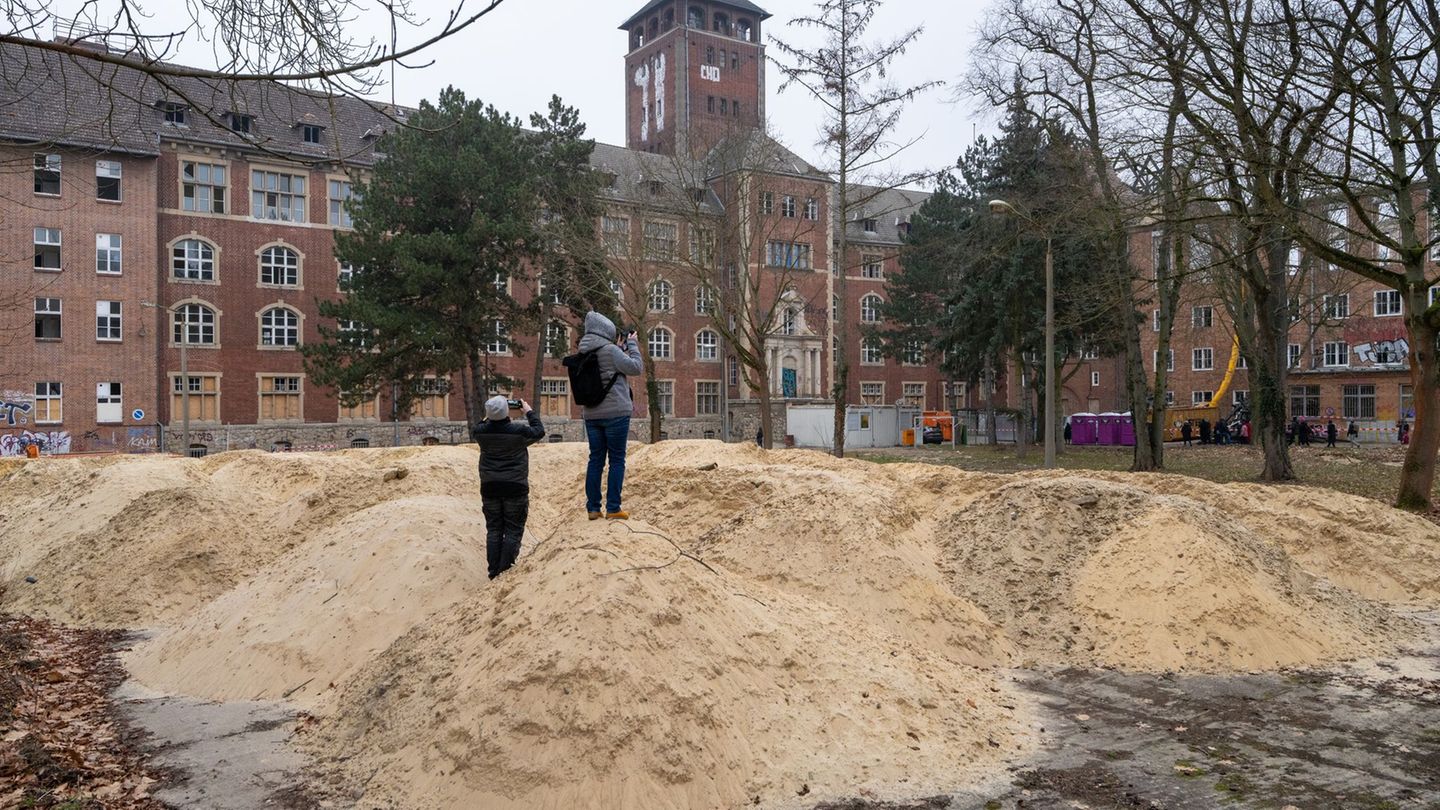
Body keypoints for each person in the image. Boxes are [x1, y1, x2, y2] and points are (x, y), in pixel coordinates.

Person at [471, 395, 546, 580]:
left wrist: (491, 414)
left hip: (490, 487)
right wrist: (528, 411)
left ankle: (493, 571)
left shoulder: (480, 433)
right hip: (515, 486)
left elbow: (480, 424)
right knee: (513, 529)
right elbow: (539, 431)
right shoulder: (518, 432)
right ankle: (504, 572)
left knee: (494, 529)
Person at [578, 311, 644, 520]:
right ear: (606, 331)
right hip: (616, 413)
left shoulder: (583, 352)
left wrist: (620, 349)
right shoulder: (610, 350)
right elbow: (636, 367)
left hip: (591, 414)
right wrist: (632, 345)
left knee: (595, 459)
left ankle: (593, 508)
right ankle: (613, 507)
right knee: (617, 460)